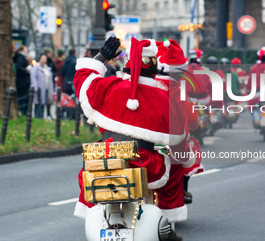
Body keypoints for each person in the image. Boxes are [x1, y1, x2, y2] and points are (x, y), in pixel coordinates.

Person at [73, 37, 186, 240]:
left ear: (127, 68)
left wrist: (101, 57)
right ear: (155, 70)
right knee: (175, 168)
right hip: (144, 162)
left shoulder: (110, 86)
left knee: (88, 169)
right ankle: (168, 222)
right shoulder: (162, 97)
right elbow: (178, 135)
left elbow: (84, 80)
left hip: (104, 156)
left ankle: (93, 211)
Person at [155, 40, 202, 205]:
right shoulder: (179, 93)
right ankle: (183, 189)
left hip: (144, 140)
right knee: (192, 148)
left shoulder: (146, 87)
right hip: (172, 143)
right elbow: (193, 120)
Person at [30, 55, 54, 119]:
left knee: (43, 104)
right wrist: (36, 88)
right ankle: (37, 117)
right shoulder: (35, 68)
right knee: (38, 104)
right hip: (38, 90)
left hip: (46, 89)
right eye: (42, 59)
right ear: (39, 59)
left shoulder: (47, 68)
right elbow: (33, 78)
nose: (44, 61)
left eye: (45, 59)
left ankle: (42, 117)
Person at [13, 45, 30, 115]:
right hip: (22, 82)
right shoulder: (20, 57)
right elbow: (19, 67)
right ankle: (22, 112)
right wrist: (27, 71)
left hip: (23, 82)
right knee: (22, 98)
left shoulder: (22, 57)